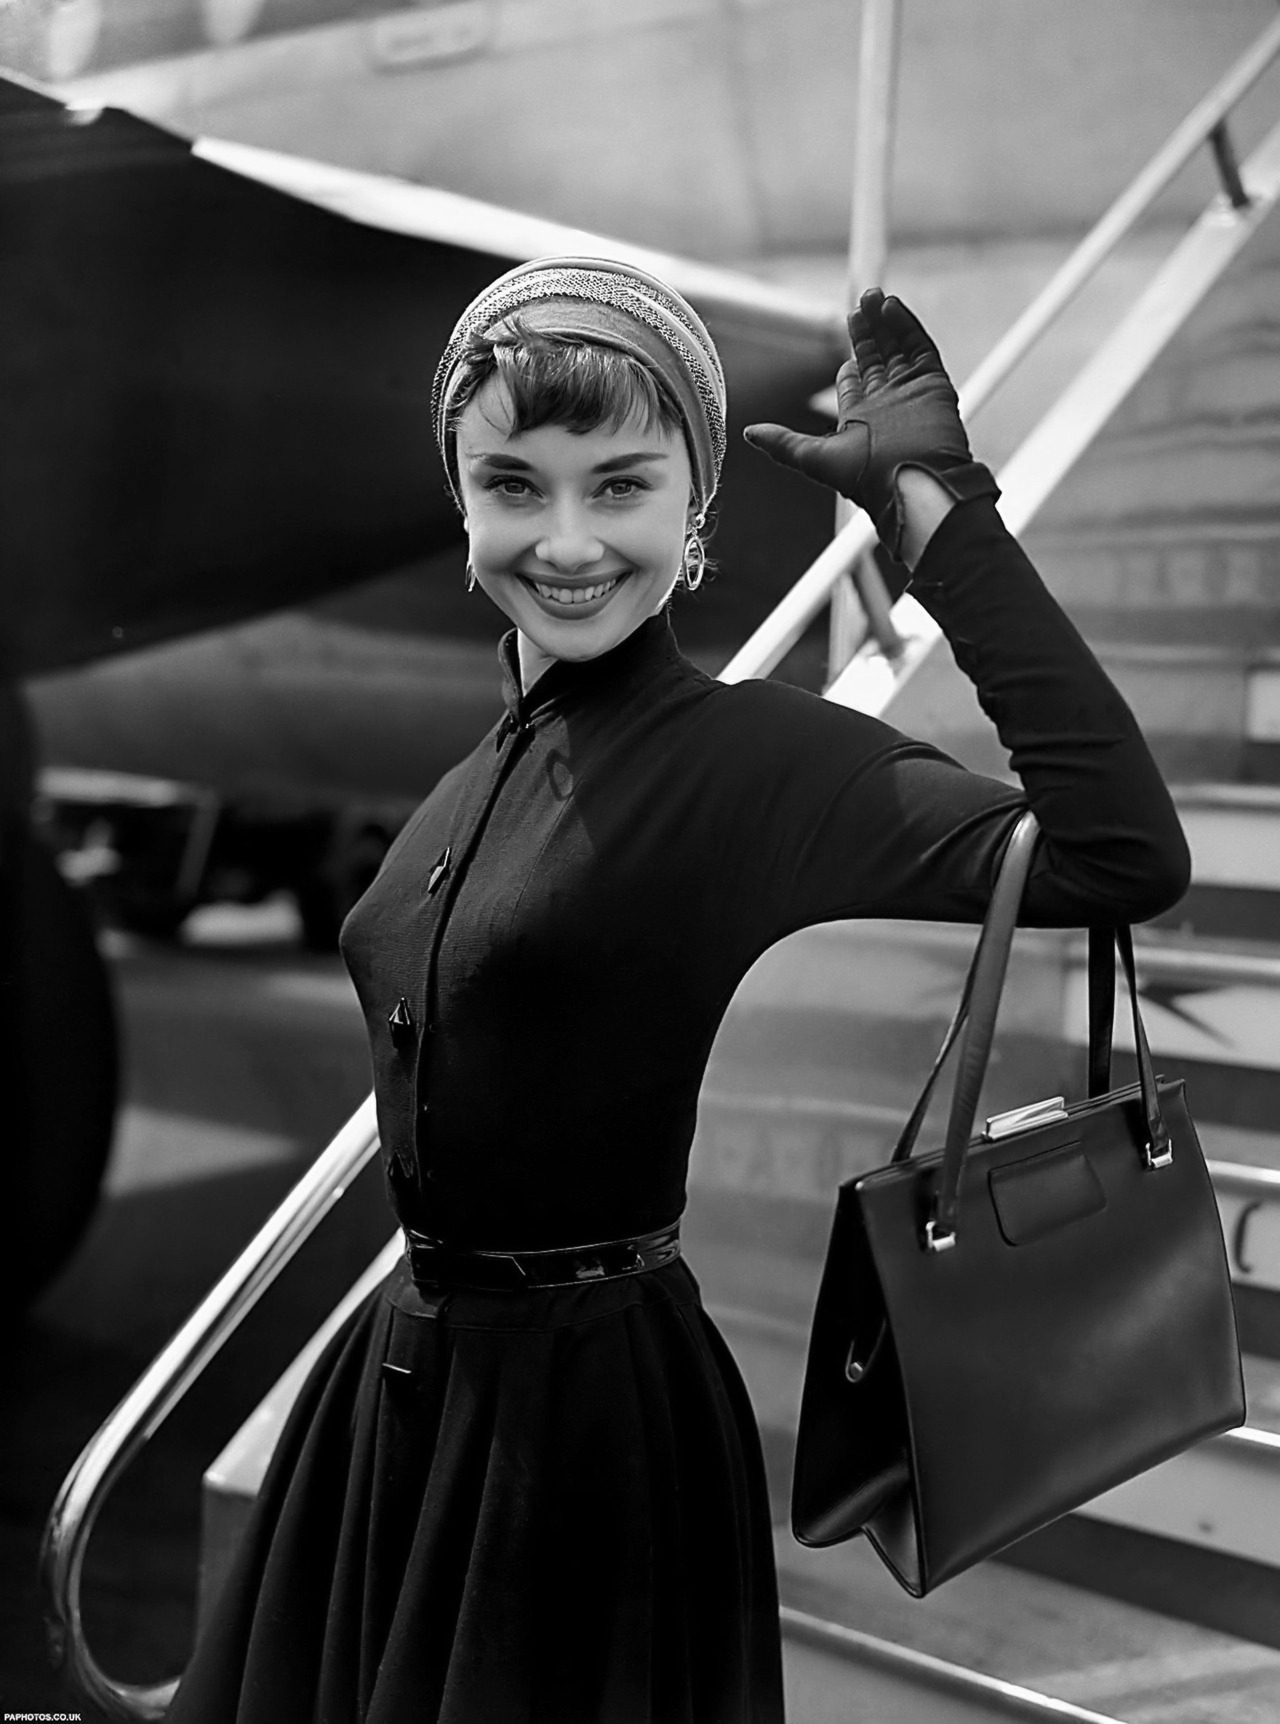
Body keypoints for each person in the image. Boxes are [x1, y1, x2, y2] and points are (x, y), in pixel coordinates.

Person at [164, 258, 1189, 1724]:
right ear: (461, 500)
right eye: (514, 486)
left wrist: (938, 525)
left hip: (583, 1439)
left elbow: (1119, 854)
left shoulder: (746, 763)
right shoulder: (484, 767)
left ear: (694, 509)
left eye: (622, 488)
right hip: (401, 1400)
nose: (568, 541)